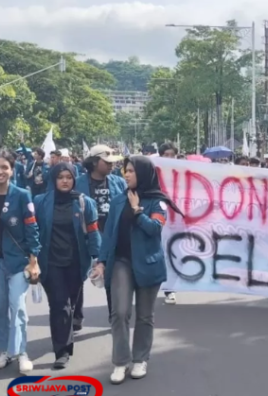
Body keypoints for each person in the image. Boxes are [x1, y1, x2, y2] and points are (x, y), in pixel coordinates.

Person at [93, 156, 184, 384]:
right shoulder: (117, 201)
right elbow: (109, 234)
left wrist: (137, 211)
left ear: (143, 173)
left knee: (145, 316)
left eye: (131, 171)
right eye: (125, 170)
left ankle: (140, 359)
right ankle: (120, 361)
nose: (126, 175)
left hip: (148, 264)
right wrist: (102, 261)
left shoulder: (157, 201)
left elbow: (154, 229)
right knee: (120, 312)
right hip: (121, 262)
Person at [0, 149, 40, 373]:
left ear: (12, 170)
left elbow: (32, 228)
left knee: (18, 307)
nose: (0, 171)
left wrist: (33, 260)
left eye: (5, 167)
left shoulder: (22, 195)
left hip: (17, 262)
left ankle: (21, 352)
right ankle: (5, 350)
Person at [34, 163, 101, 369]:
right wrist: (31, 258)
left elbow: (93, 232)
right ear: (53, 179)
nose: (65, 180)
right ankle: (61, 351)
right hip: (50, 261)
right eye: (60, 177)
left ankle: (67, 332)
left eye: (69, 177)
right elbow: (32, 231)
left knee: (70, 303)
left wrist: (97, 259)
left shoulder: (84, 203)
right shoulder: (40, 202)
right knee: (59, 304)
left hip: (76, 262)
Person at [74, 145, 126, 327]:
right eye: (107, 162)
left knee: (111, 279)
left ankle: (114, 317)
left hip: (111, 239)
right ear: (95, 162)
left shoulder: (119, 183)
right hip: (84, 238)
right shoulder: (77, 183)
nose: (112, 165)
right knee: (77, 276)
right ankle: (76, 315)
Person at [157, 142, 178, 304]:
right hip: (159, 217)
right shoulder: (154, 172)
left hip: (177, 221)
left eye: (173, 155)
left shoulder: (182, 172)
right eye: (167, 155)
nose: (170, 158)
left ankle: (170, 288)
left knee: (174, 253)